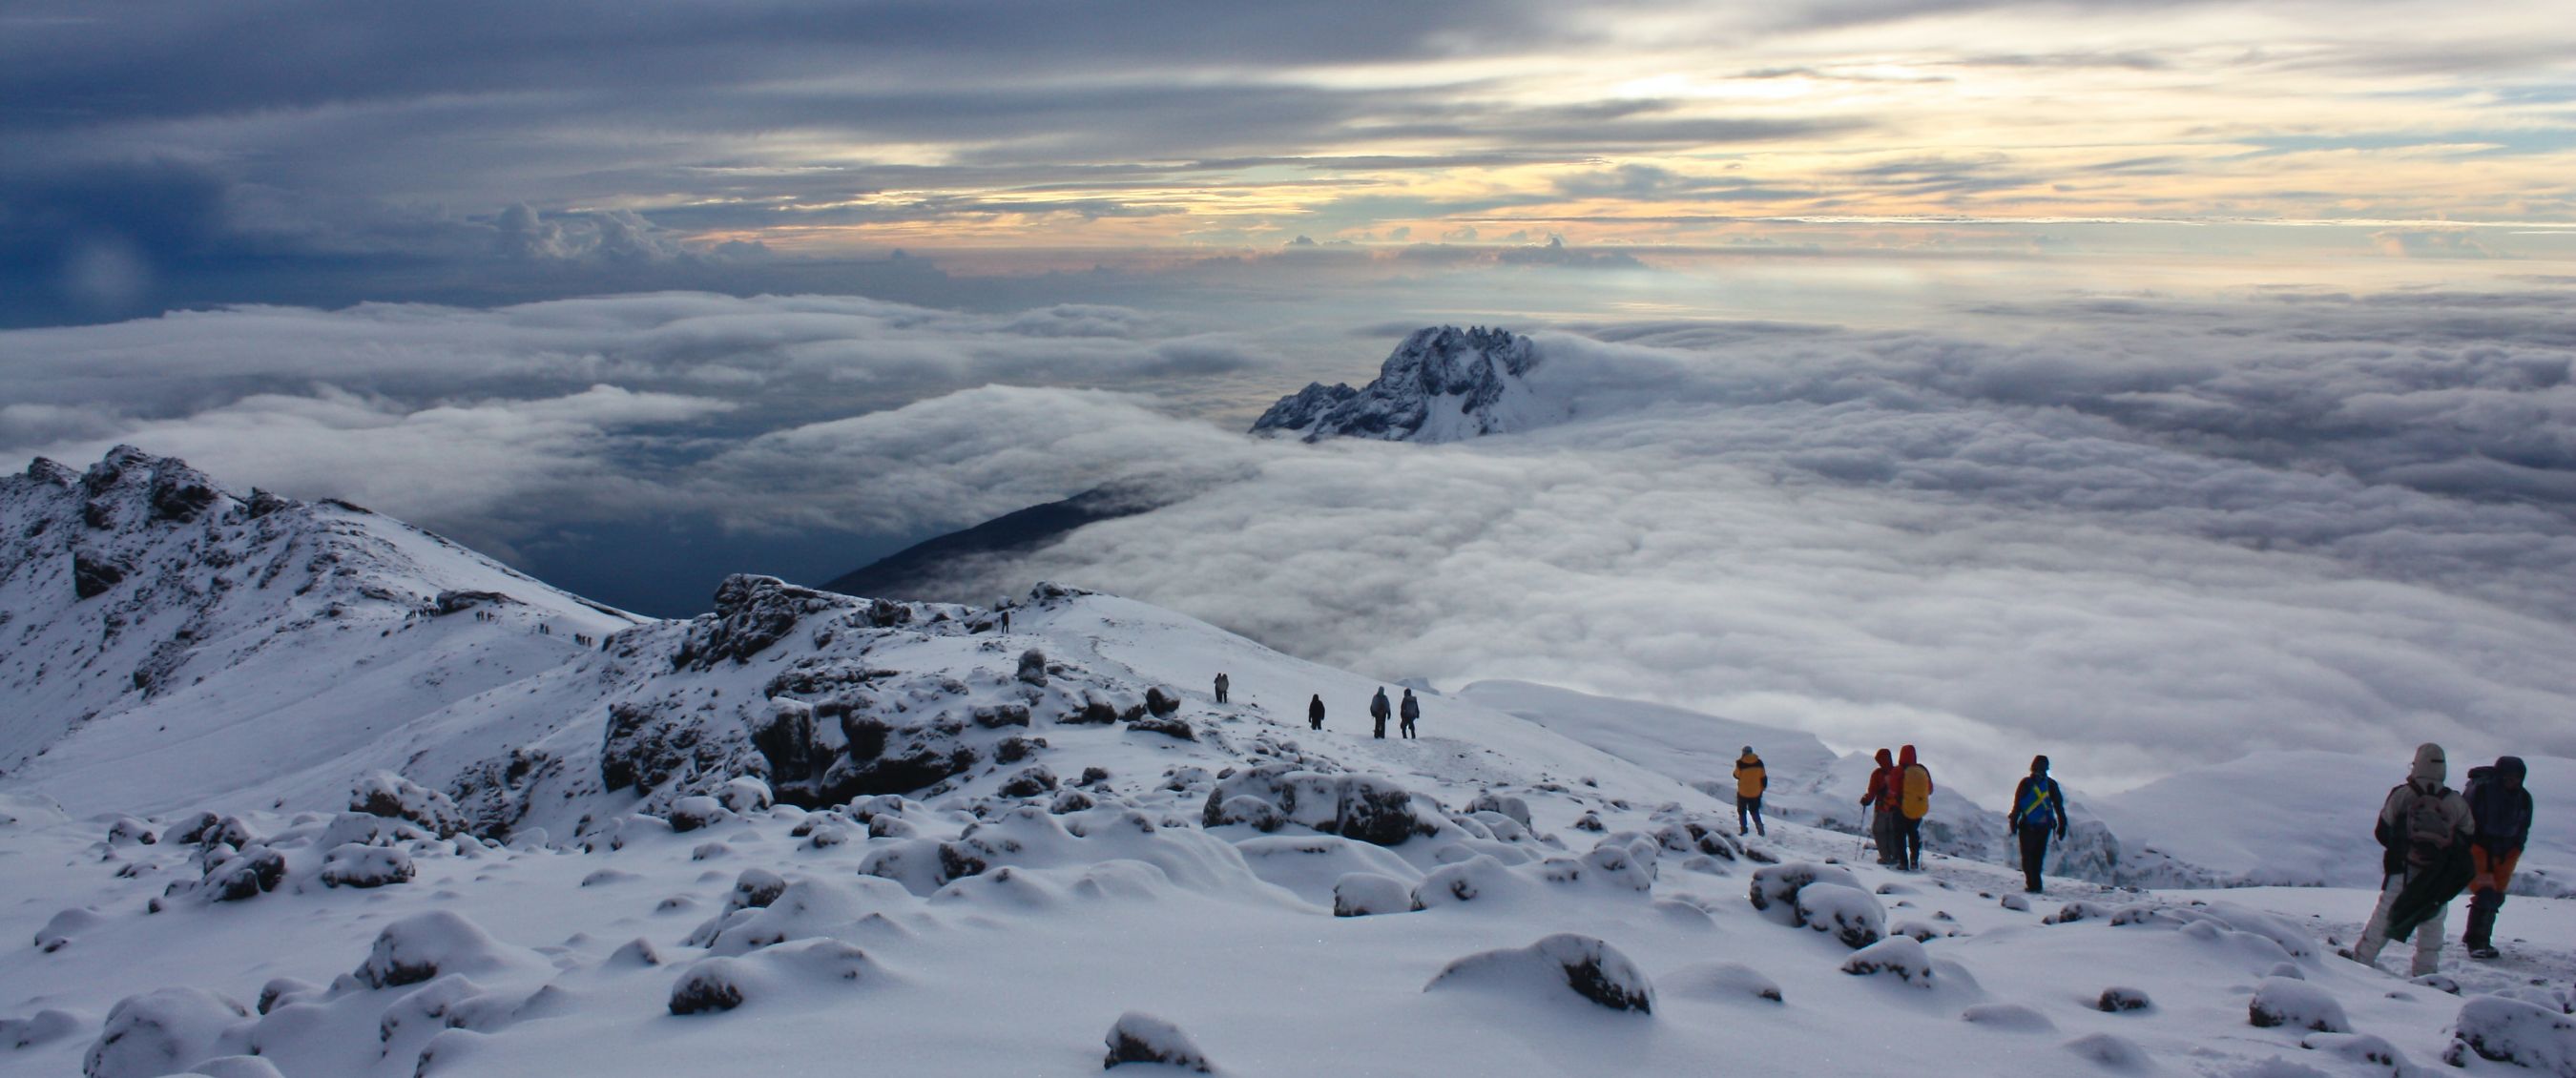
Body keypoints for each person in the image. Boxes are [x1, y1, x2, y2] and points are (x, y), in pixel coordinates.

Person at [2349, 743, 2475, 975]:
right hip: (2437, 873)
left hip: (2402, 868)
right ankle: (2425, 973)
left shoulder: (2403, 794)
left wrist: (2403, 848)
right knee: (2432, 920)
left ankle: (2361, 962)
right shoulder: (2455, 801)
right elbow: (2468, 835)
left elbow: (2382, 831)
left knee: (2385, 915)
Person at [2462, 756, 2531, 960]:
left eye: (2517, 778)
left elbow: (2524, 826)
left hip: (2507, 852)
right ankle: (2476, 943)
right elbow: (2467, 819)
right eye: (2508, 778)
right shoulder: (2481, 791)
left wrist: (2517, 847)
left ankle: (2480, 939)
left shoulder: (2524, 798)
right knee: (2485, 892)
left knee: (2496, 896)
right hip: (2479, 849)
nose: (2513, 782)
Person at [2007, 755, 2068, 893]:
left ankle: (2032, 884)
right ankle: (2037, 884)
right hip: (2044, 827)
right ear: (2047, 768)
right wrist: (2062, 824)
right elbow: (2059, 806)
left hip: (2027, 826)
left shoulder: (2025, 783)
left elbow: (2017, 805)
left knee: (2027, 856)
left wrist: (2013, 822)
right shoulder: (2051, 785)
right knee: (2038, 856)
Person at [1895, 745, 1933, 871]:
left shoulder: (1899, 771)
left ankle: (1903, 863)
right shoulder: (1922, 770)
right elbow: (1930, 790)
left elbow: (1893, 789)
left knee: (1900, 835)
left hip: (1901, 808)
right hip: (1917, 809)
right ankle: (1914, 861)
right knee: (1913, 834)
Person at [1859, 749, 1899, 865]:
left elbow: (1872, 792)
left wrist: (1866, 800)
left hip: (1881, 808)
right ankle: (1895, 856)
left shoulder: (1877, 774)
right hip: (1895, 809)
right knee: (1892, 832)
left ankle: (1885, 857)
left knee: (1879, 831)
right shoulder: (1897, 772)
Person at [1734, 746, 1767, 837]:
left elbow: (1736, 775)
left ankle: (1743, 829)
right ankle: (1760, 829)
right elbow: (1763, 778)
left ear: (1744, 753)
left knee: (1742, 811)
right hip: (1755, 793)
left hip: (1743, 792)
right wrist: (1762, 789)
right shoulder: (1759, 763)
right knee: (1754, 810)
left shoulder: (1740, 763)